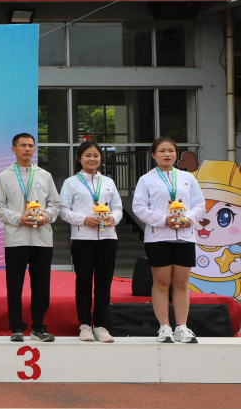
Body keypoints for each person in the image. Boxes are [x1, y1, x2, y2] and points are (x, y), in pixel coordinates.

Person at [133, 136, 206, 344]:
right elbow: (139, 207)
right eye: (162, 151)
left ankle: (182, 327)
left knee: (181, 283)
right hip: (158, 238)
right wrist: (164, 220)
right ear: (153, 154)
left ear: (176, 154)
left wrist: (188, 219)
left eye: (171, 151)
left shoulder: (187, 178)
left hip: (184, 237)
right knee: (162, 283)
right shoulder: (146, 180)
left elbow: (200, 205)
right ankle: (164, 327)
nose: (167, 154)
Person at [0, 133, 61, 343]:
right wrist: (18, 218)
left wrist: (46, 216)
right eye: (23, 145)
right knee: (15, 286)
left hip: (42, 239)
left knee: (41, 285)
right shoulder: (4, 176)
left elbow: (55, 204)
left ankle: (39, 327)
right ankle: (16, 328)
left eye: (31, 145)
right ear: (14, 149)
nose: (28, 149)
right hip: (16, 239)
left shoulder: (44, 175)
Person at [57, 141, 122, 343]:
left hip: (108, 238)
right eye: (87, 155)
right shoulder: (71, 183)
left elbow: (118, 208)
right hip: (82, 239)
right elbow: (63, 210)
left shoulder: (108, 182)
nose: (92, 159)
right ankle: (85, 324)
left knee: (104, 283)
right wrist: (83, 219)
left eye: (96, 155)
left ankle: (101, 325)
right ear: (79, 158)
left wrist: (113, 218)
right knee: (83, 282)